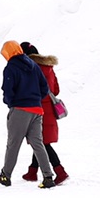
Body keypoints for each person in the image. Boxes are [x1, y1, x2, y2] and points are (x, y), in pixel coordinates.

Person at [0, 40, 53, 188]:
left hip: (20, 110)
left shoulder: (11, 67)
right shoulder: (33, 65)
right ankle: (48, 177)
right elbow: (45, 88)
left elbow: (8, 90)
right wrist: (35, 99)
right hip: (37, 110)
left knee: (13, 144)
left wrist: (11, 103)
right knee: (38, 144)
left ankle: (5, 176)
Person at [19, 41, 68, 186]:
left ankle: (60, 172)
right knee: (39, 140)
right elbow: (56, 90)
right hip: (49, 110)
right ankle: (32, 171)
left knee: (41, 142)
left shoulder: (30, 68)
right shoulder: (48, 67)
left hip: (37, 109)